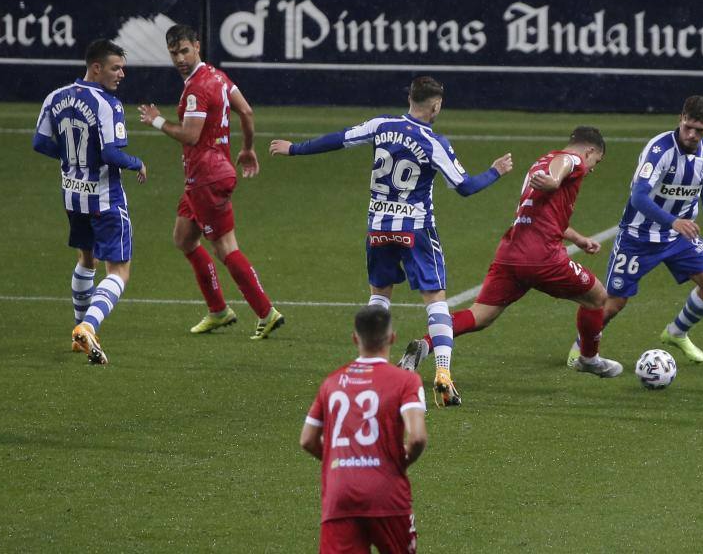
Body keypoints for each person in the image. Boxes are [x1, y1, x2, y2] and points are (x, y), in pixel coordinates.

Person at [270, 76, 513, 406]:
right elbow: (465, 187)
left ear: (409, 98)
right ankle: (443, 372)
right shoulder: (433, 141)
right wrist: (495, 171)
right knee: (435, 299)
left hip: (378, 227)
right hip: (416, 230)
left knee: (380, 297)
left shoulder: (382, 126)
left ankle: (371, 369)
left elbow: (340, 139)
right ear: (436, 105)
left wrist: (295, 149)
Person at [399, 127, 623, 383]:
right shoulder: (571, 161)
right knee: (598, 298)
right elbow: (566, 164)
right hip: (543, 257)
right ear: (590, 151)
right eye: (596, 161)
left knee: (480, 316)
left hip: (511, 253)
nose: (592, 167)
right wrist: (554, 180)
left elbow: (541, 214)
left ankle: (425, 345)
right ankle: (588, 358)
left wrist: (578, 239)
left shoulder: (539, 163)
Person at [137, 24, 283, 340]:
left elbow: (190, 135)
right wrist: (246, 148)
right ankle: (218, 311)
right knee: (184, 239)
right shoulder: (217, 77)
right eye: (174, 53)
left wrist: (157, 120)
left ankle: (266, 312)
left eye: (184, 51)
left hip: (207, 178)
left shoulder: (196, 89)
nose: (179, 58)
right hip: (204, 176)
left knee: (226, 248)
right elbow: (246, 110)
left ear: (197, 46)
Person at [566, 96, 703, 365]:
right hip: (639, 236)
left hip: (679, 237)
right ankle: (581, 347)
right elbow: (639, 197)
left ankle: (676, 332)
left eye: (698, 130)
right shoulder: (659, 150)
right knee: (614, 303)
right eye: (687, 126)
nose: (691, 134)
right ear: (680, 118)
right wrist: (673, 221)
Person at [33, 39, 148, 365]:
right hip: (104, 199)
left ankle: (79, 333)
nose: (121, 74)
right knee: (119, 271)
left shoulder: (55, 96)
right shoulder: (107, 104)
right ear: (96, 67)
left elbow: (39, 142)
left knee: (87, 261)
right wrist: (137, 161)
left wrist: (70, 158)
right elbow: (111, 153)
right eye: (115, 68)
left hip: (72, 196)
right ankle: (89, 324)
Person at [300, 305, 427, 554]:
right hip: (386, 492)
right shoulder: (405, 380)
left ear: (355, 338)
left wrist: (339, 459)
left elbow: (307, 440)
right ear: (392, 337)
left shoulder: (332, 382)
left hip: (340, 493)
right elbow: (418, 437)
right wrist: (398, 462)